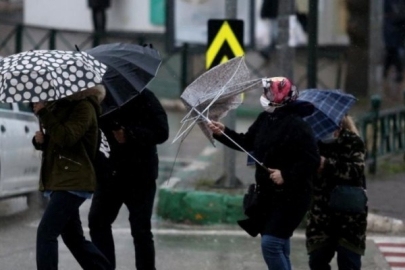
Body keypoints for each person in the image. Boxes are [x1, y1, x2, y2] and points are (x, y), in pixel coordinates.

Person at [208, 77, 320, 270]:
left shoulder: (298, 125)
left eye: (268, 93)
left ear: (280, 96)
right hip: (269, 195)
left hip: (293, 196)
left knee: (271, 243)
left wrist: (286, 174)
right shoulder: (266, 118)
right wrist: (223, 132)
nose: (264, 96)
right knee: (280, 244)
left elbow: (312, 160)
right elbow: (247, 142)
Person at [32, 85, 112, 270]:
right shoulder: (64, 106)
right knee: (73, 238)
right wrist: (40, 141)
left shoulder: (84, 108)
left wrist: (44, 113)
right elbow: (58, 142)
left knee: (46, 233)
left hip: (74, 179)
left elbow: (67, 138)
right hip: (61, 178)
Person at [88, 88, 169, 270]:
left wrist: (130, 134)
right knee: (97, 222)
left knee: (140, 230)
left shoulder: (143, 96)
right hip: (110, 175)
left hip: (140, 176)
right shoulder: (99, 100)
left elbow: (162, 131)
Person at [306, 115, 367, 270]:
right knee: (317, 261)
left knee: (349, 263)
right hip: (321, 216)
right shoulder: (313, 142)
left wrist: (327, 165)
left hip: (349, 217)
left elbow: (356, 170)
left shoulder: (353, 141)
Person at [383, 0, 405, 83]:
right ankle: (395, 72)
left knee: (393, 51)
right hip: (392, 30)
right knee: (392, 51)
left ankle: (394, 72)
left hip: (398, 30)